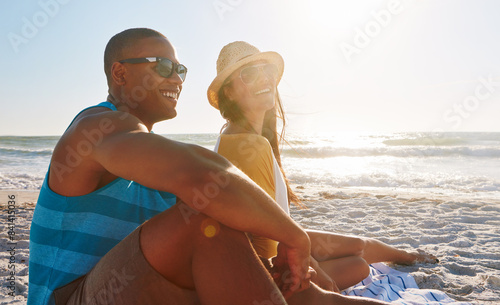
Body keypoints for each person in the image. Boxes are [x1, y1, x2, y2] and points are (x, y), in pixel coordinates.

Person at [28, 28, 388, 305]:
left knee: (261, 262)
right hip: (74, 297)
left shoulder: (152, 165)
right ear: (120, 74)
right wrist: (294, 237)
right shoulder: (95, 128)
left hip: (144, 288)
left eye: (180, 69)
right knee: (205, 221)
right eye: (164, 66)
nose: (177, 78)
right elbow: (201, 173)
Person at [208, 41, 438, 292]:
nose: (264, 78)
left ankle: (406, 255)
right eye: (250, 74)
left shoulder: (233, 137)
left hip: (280, 242)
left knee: (359, 245)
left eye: (267, 71)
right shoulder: (250, 147)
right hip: (273, 267)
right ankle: (408, 256)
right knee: (358, 265)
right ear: (228, 92)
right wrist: (318, 277)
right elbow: (259, 245)